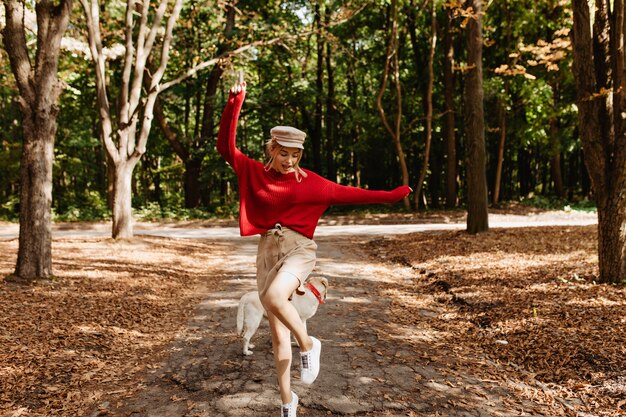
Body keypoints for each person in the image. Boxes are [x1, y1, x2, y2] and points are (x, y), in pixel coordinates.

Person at [217, 80, 411, 417]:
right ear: (271, 150)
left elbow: (354, 193)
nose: (289, 160)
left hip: (299, 250)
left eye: (295, 154)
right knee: (278, 336)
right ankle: (287, 402)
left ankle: (309, 344)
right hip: (267, 254)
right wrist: (235, 101)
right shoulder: (253, 172)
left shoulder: (314, 185)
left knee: (275, 299)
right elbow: (225, 147)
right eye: (283, 153)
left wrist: (392, 195)